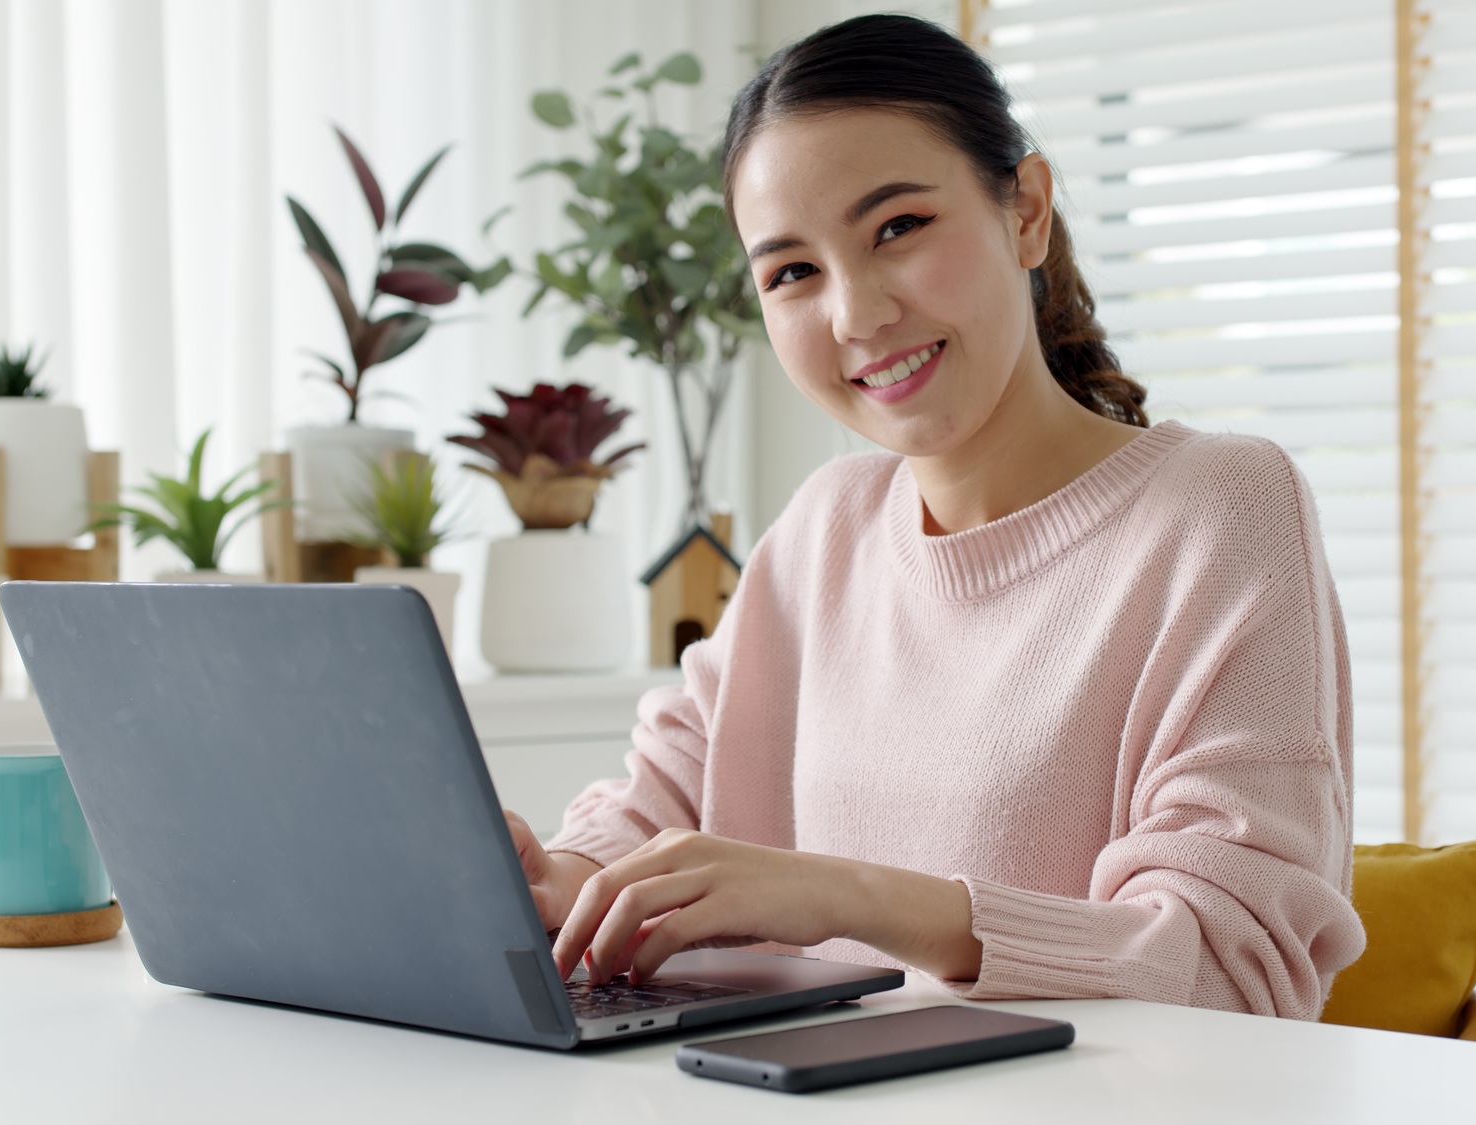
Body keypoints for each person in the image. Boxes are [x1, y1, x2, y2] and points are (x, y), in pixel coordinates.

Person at [506, 12, 1367, 1020]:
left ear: (1026, 211)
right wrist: (565, 878)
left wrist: (846, 895)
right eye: (791, 273)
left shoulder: (1217, 508)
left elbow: (1230, 965)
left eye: (898, 228)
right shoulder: (821, 529)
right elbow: (661, 802)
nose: (856, 315)